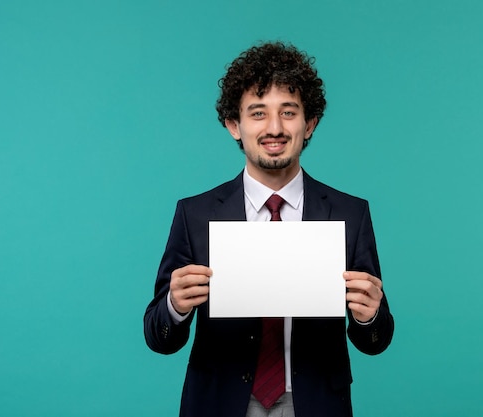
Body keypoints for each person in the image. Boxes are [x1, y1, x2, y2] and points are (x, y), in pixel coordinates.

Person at [144, 41, 394, 417]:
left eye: (288, 112)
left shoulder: (350, 214)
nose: (274, 128)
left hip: (316, 404)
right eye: (258, 113)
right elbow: (158, 337)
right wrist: (175, 307)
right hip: (220, 403)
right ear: (234, 125)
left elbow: (375, 341)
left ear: (309, 123)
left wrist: (369, 316)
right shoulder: (194, 215)